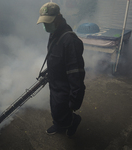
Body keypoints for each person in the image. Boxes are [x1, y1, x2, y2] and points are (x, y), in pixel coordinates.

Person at [37, 2, 85, 137]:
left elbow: (76, 73)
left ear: (59, 18)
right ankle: (59, 124)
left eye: (48, 22)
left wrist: (75, 99)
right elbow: (56, 57)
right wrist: (48, 70)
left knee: (63, 109)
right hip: (55, 81)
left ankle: (74, 121)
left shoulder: (70, 41)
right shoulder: (54, 33)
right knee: (56, 108)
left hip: (65, 86)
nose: (46, 26)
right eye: (44, 23)